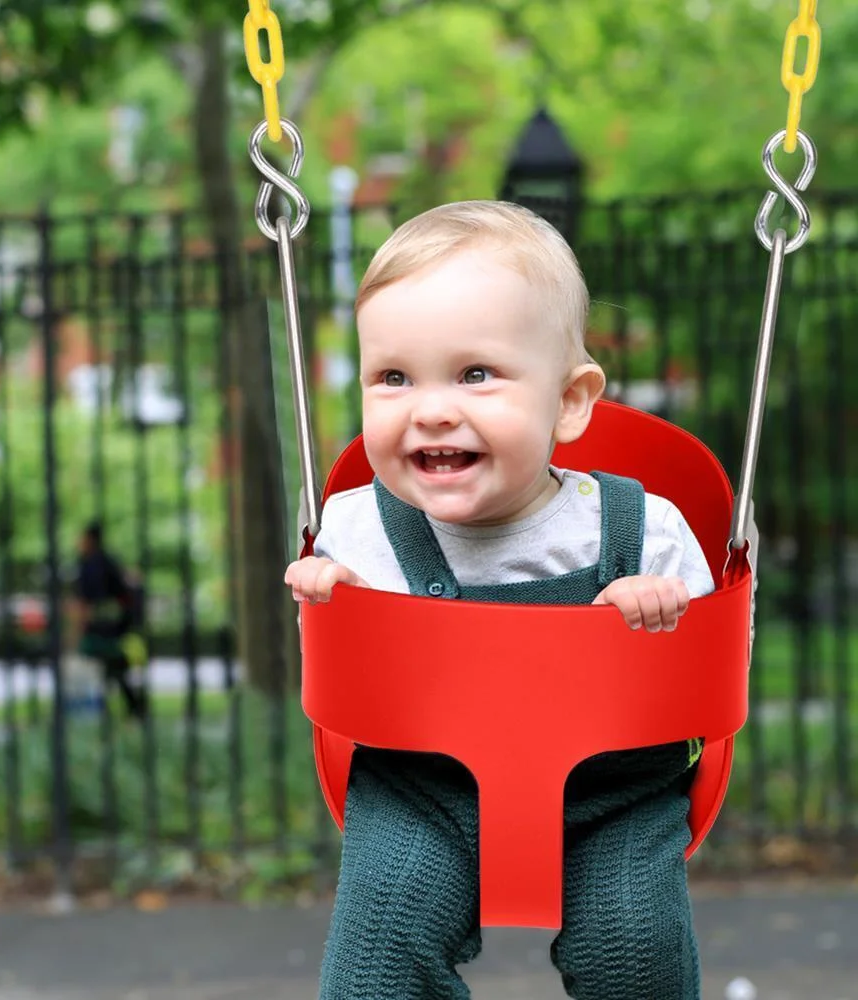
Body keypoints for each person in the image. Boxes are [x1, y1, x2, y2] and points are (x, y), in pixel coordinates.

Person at [284, 202, 714, 1000]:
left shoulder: (639, 527)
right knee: (375, 966)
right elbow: (348, 673)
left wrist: (658, 610)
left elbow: (707, 661)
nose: (432, 407)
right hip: (422, 789)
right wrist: (332, 596)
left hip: (610, 795)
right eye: (393, 377)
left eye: (475, 373)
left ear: (571, 401)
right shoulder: (354, 527)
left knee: (632, 950)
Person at [70, 521, 147, 720]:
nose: (79, 542)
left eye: (82, 538)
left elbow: (86, 600)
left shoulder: (90, 564)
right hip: (115, 623)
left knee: (110, 664)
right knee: (111, 666)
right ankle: (128, 706)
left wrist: (79, 627)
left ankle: (128, 706)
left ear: (90, 540)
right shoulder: (108, 561)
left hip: (103, 625)